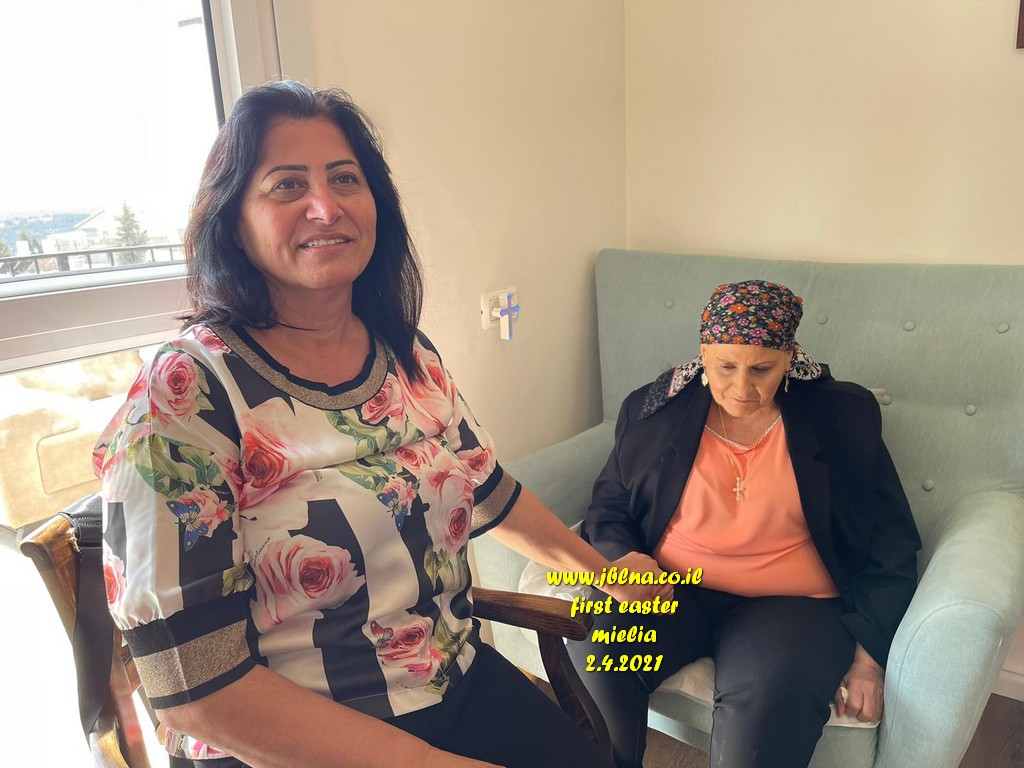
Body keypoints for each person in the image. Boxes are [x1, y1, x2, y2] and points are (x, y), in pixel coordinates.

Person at [93, 80, 638, 768]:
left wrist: (605, 574)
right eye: (287, 185)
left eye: (345, 178)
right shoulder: (184, 394)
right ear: (232, 222)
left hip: (450, 681)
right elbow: (196, 692)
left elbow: (489, 489)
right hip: (287, 740)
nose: (326, 207)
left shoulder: (406, 356)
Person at [566, 280, 922, 768]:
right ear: (703, 354)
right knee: (597, 647)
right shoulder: (654, 410)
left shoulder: (844, 416)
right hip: (670, 587)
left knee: (754, 742)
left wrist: (869, 659)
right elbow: (609, 505)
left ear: (789, 358)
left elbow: (890, 537)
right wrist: (623, 559)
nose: (741, 388)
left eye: (761, 369)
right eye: (725, 366)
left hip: (794, 606)